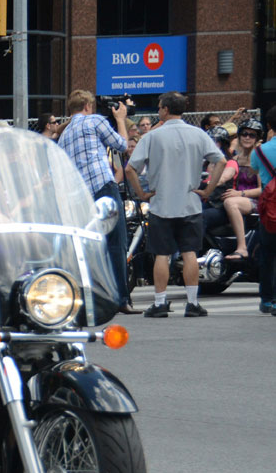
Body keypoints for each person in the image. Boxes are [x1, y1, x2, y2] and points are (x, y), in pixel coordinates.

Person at [128, 91, 226, 318]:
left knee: (162, 254)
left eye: (159, 106)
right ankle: (192, 303)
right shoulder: (198, 134)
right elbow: (220, 160)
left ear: (164, 109)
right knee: (190, 252)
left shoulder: (153, 136)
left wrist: (142, 193)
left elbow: (130, 168)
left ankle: (160, 302)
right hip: (190, 202)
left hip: (161, 203)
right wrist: (208, 190)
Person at [59, 89, 134, 313]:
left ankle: (94, 298)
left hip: (79, 197)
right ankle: (121, 299)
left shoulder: (63, 136)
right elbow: (121, 144)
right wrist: (120, 119)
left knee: (89, 248)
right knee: (116, 242)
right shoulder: (94, 120)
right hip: (103, 187)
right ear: (88, 106)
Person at [220, 118, 264, 259]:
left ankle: (242, 248)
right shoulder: (235, 159)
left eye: (252, 135)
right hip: (237, 198)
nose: (247, 137)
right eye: (244, 134)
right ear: (238, 136)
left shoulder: (259, 159)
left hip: (255, 201)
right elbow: (225, 175)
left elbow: (262, 189)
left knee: (230, 203)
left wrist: (240, 193)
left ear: (257, 138)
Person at [252, 107, 276, 314]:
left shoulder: (259, 151)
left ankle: (267, 300)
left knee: (267, 255)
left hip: (269, 209)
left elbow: (255, 170)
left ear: (268, 125)